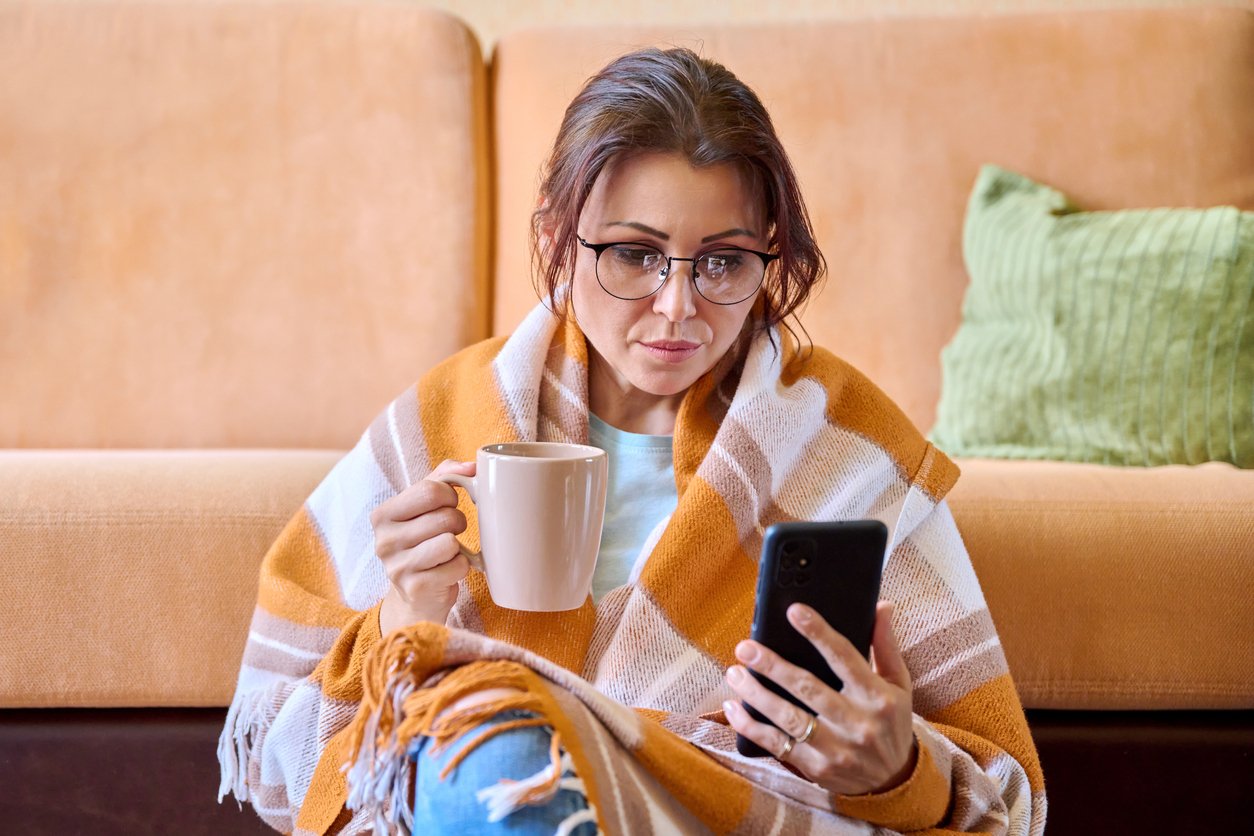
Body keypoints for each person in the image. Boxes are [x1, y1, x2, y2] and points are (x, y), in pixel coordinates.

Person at [218, 47, 1046, 835]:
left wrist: (901, 768)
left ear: (772, 257)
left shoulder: (847, 453)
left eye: (722, 262)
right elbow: (277, 765)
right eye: (635, 254)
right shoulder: (446, 420)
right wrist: (404, 617)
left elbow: (1009, 802)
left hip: (740, 814)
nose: (678, 306)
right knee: (497, 758)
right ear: (555, 238)